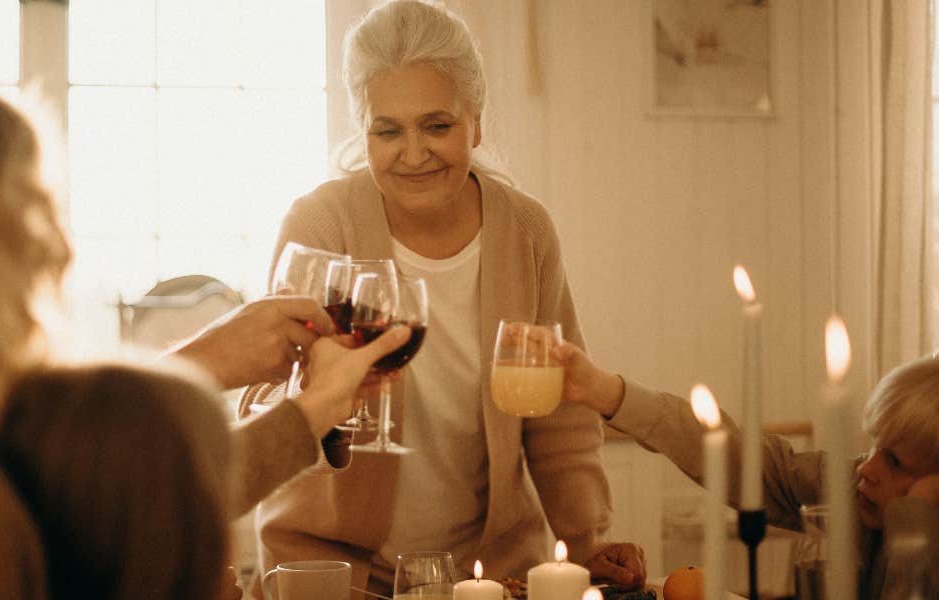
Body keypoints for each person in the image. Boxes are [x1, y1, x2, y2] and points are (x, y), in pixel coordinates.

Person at [0, 76, 409, 599]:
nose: (61, 250)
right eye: (31, 210)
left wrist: (216, 368)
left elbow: (104, 491)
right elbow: (117, 522)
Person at [242, 1, 646, 595]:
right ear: (364, 128)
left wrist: (586, 544)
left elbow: (559, 409)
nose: (413, 152)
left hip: (488, 575)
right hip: (333, 570)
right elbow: (265, 394)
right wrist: (315, 393)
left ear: (475, 124)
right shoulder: (321, 225)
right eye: (388, 130)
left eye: (437, 125)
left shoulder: (524, 230)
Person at [553, 341, 939, 598]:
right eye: (874, 447)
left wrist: (922, 510)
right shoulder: (860, 486)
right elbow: (753, 463)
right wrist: (604, 391)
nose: (867, 470)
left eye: (895, 461)